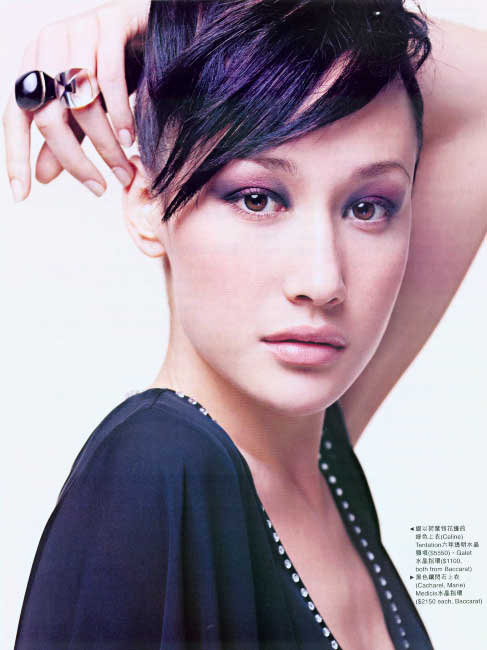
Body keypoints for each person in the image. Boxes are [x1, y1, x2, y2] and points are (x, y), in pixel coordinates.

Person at [3, 1, 486, 649]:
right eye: (257, 198)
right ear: (147, 205)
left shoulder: (313, 451)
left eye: (368, 207)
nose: (322, 280)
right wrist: (196, 26)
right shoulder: (155, 472)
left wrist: (183, 16)